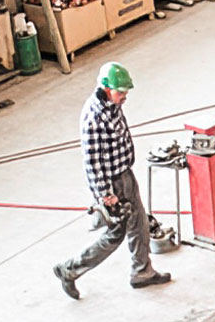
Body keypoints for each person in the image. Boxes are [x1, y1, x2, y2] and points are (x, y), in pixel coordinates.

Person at [54, 62, 171, 299]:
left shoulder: (112, 104)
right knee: (115, 235)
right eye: (121, 92)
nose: (125, 96)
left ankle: (142, 272)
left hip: (125, 173)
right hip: (113, 185)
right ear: (106, 88)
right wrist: (106, 195)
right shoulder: (93, 118)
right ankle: (70, 270)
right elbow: (93, 162)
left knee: (139, 223)